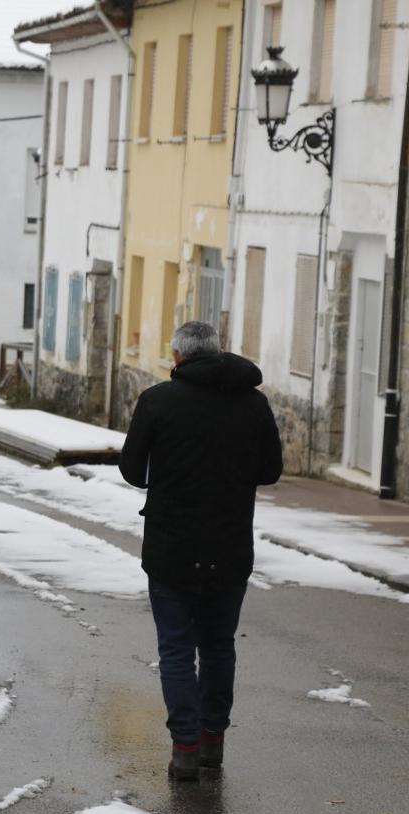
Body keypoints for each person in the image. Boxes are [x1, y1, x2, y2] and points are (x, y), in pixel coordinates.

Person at [118, 321, 282, 781]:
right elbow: (270, 471)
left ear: (177, 356)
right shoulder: (254, 403)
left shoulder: (158, 401)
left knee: (175, 648)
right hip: (230, 546)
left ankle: (184, 748)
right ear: (218, 351)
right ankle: (213, 743)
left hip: (171, 547)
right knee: (218, 646)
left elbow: (132, 470)